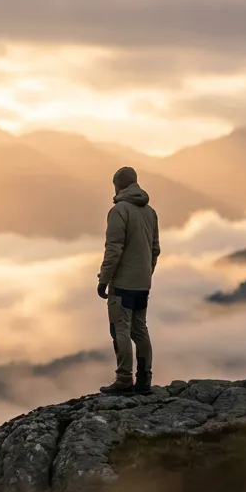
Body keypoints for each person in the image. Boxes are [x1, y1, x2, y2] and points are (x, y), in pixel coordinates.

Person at [97, 167, 159, 396]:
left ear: (117, 185)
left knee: (120, 329)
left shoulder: (119, 211)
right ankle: (145, 380)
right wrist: (146, 273)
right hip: (143, 282)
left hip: (122, 282)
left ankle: (124, 379)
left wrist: (104, 279)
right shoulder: (150, 212)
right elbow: (155, 249)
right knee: (140, 329)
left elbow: (114, 249)